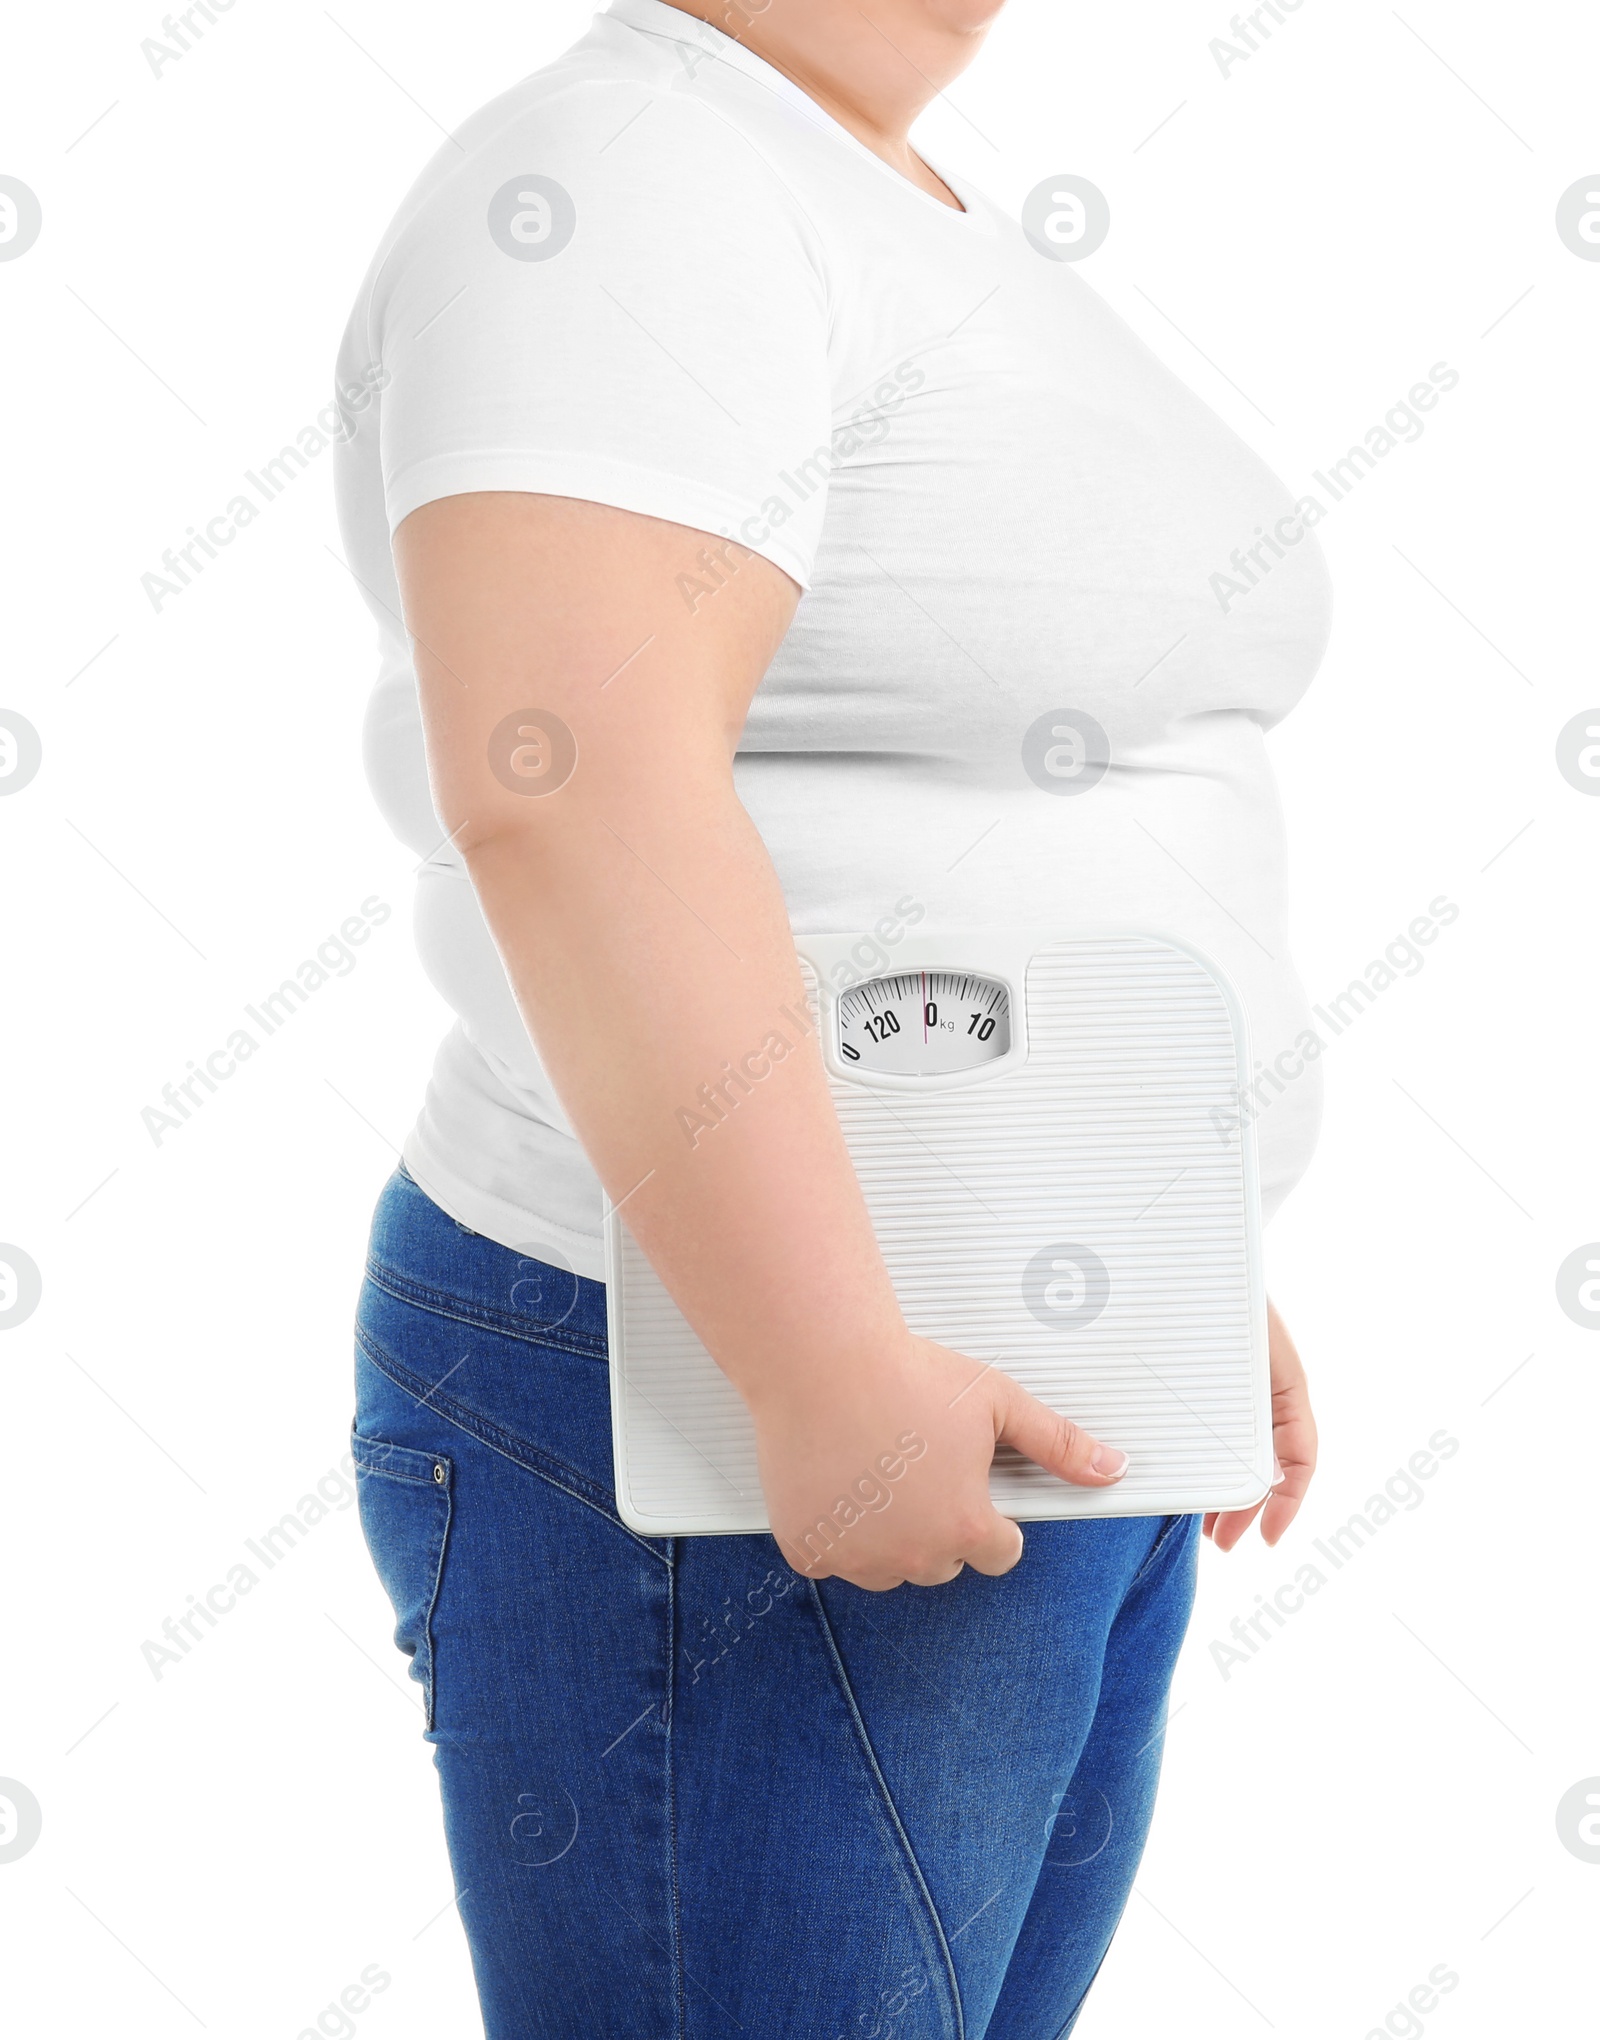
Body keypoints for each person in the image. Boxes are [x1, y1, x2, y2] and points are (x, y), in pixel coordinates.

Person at [332, 2, 1325, 2032]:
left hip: (975, 1364)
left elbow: (946, 786)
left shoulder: (855, 193)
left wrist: (1151, 1240)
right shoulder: (636, 180)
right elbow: (565, 774)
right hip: (724, 1373)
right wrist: (808, 1360)